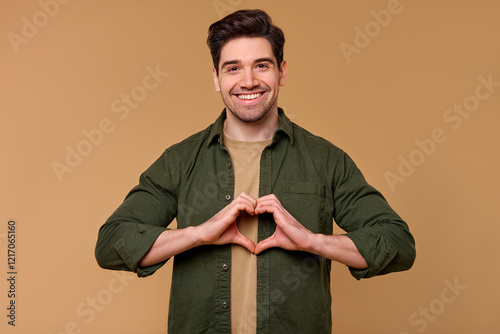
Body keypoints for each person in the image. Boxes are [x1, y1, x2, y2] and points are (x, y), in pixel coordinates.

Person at [95, 9, 416, 333]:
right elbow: (111, 244)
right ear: (217, 79)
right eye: (233, 68)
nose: (248, 81)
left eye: (261, 65)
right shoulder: (180, 161)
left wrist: (313, 241)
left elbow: (398, 244)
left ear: (282, 72)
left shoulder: (326, 160)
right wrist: (196, 235)